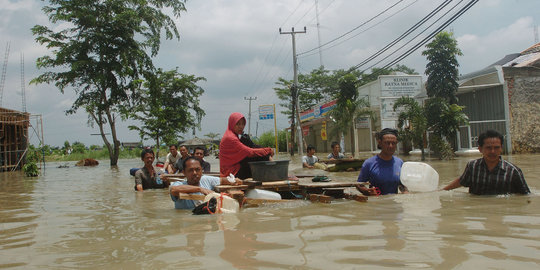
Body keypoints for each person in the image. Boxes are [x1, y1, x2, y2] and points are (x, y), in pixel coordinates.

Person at [443, 130, 530, 195]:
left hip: (502, 211)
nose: (492, 151)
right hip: (479, 213)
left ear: (501, 149)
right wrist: (441, 192)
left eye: (496, 148)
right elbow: (462, 181)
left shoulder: (513, 172)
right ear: (480, 149)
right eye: (488, 148)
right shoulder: (472, 167)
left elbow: (526, 196)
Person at [169, 156, 242, 209]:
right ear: (184, 172)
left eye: (197, 169)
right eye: (190, 170)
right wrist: (200, 189)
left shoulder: (206, 179)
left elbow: (222, 180)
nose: (195, 173)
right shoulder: (179, 184)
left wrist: (234, 181)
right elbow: (173, 190)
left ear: (202, 170)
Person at [219, 112, 274, 179]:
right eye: (238, 124)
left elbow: (252, 146)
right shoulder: (231, 138)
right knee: (260, 156)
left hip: (233, 168)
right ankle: (274, 172)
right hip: (232, 173)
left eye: (243, 124)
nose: (241, 127)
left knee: (252, 146)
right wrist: (268, 150)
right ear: (232, 124)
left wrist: (266, 151)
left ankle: (272, 169)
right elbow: (249, 152)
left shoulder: (231, 134)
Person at [356, 128, 408, 196]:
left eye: (393, 143)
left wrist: (406, 193)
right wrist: (367, 191)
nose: (390, 146)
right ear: (380, 143)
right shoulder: (369, 163)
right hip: (377, 204)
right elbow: (359, 184)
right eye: (387, 143)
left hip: (395, 204)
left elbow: (402, 185)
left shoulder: (399, 163)